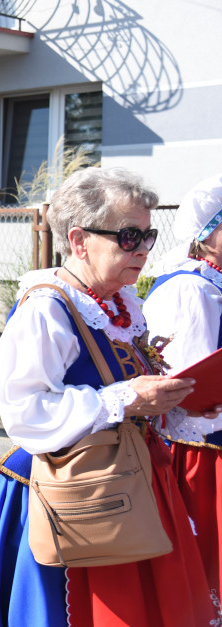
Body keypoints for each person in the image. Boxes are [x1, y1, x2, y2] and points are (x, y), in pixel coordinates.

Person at [0, 167, 222, 625]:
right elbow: (25, 411)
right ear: (80, 239)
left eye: (148, 236)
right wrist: (125, 399)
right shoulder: (48, 307)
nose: (144, 249)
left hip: (134, 478)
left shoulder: (122, 303)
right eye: (129, 237)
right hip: (71, 490)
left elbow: (133, 390)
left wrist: (179, 403)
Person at [143, 173, 222, 595]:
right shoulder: (193, 288)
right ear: (206, 235)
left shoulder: (211, 283)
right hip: (204, 452)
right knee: (209, 564)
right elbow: (192, 385)